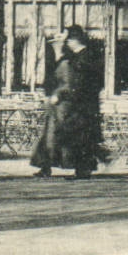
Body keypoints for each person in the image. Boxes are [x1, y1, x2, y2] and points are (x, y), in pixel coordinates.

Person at [30, 25, 104, 179]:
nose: (66, 42)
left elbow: (78, 81)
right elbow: (57, 76)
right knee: (55, 135)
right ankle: (47, 166)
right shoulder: (70, 56)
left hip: (81, 105)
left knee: (76, 137)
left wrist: (65, 94)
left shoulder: (87, 56)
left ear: (75, 39)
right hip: (69, 104)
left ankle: (82, 170)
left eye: (68, 39)